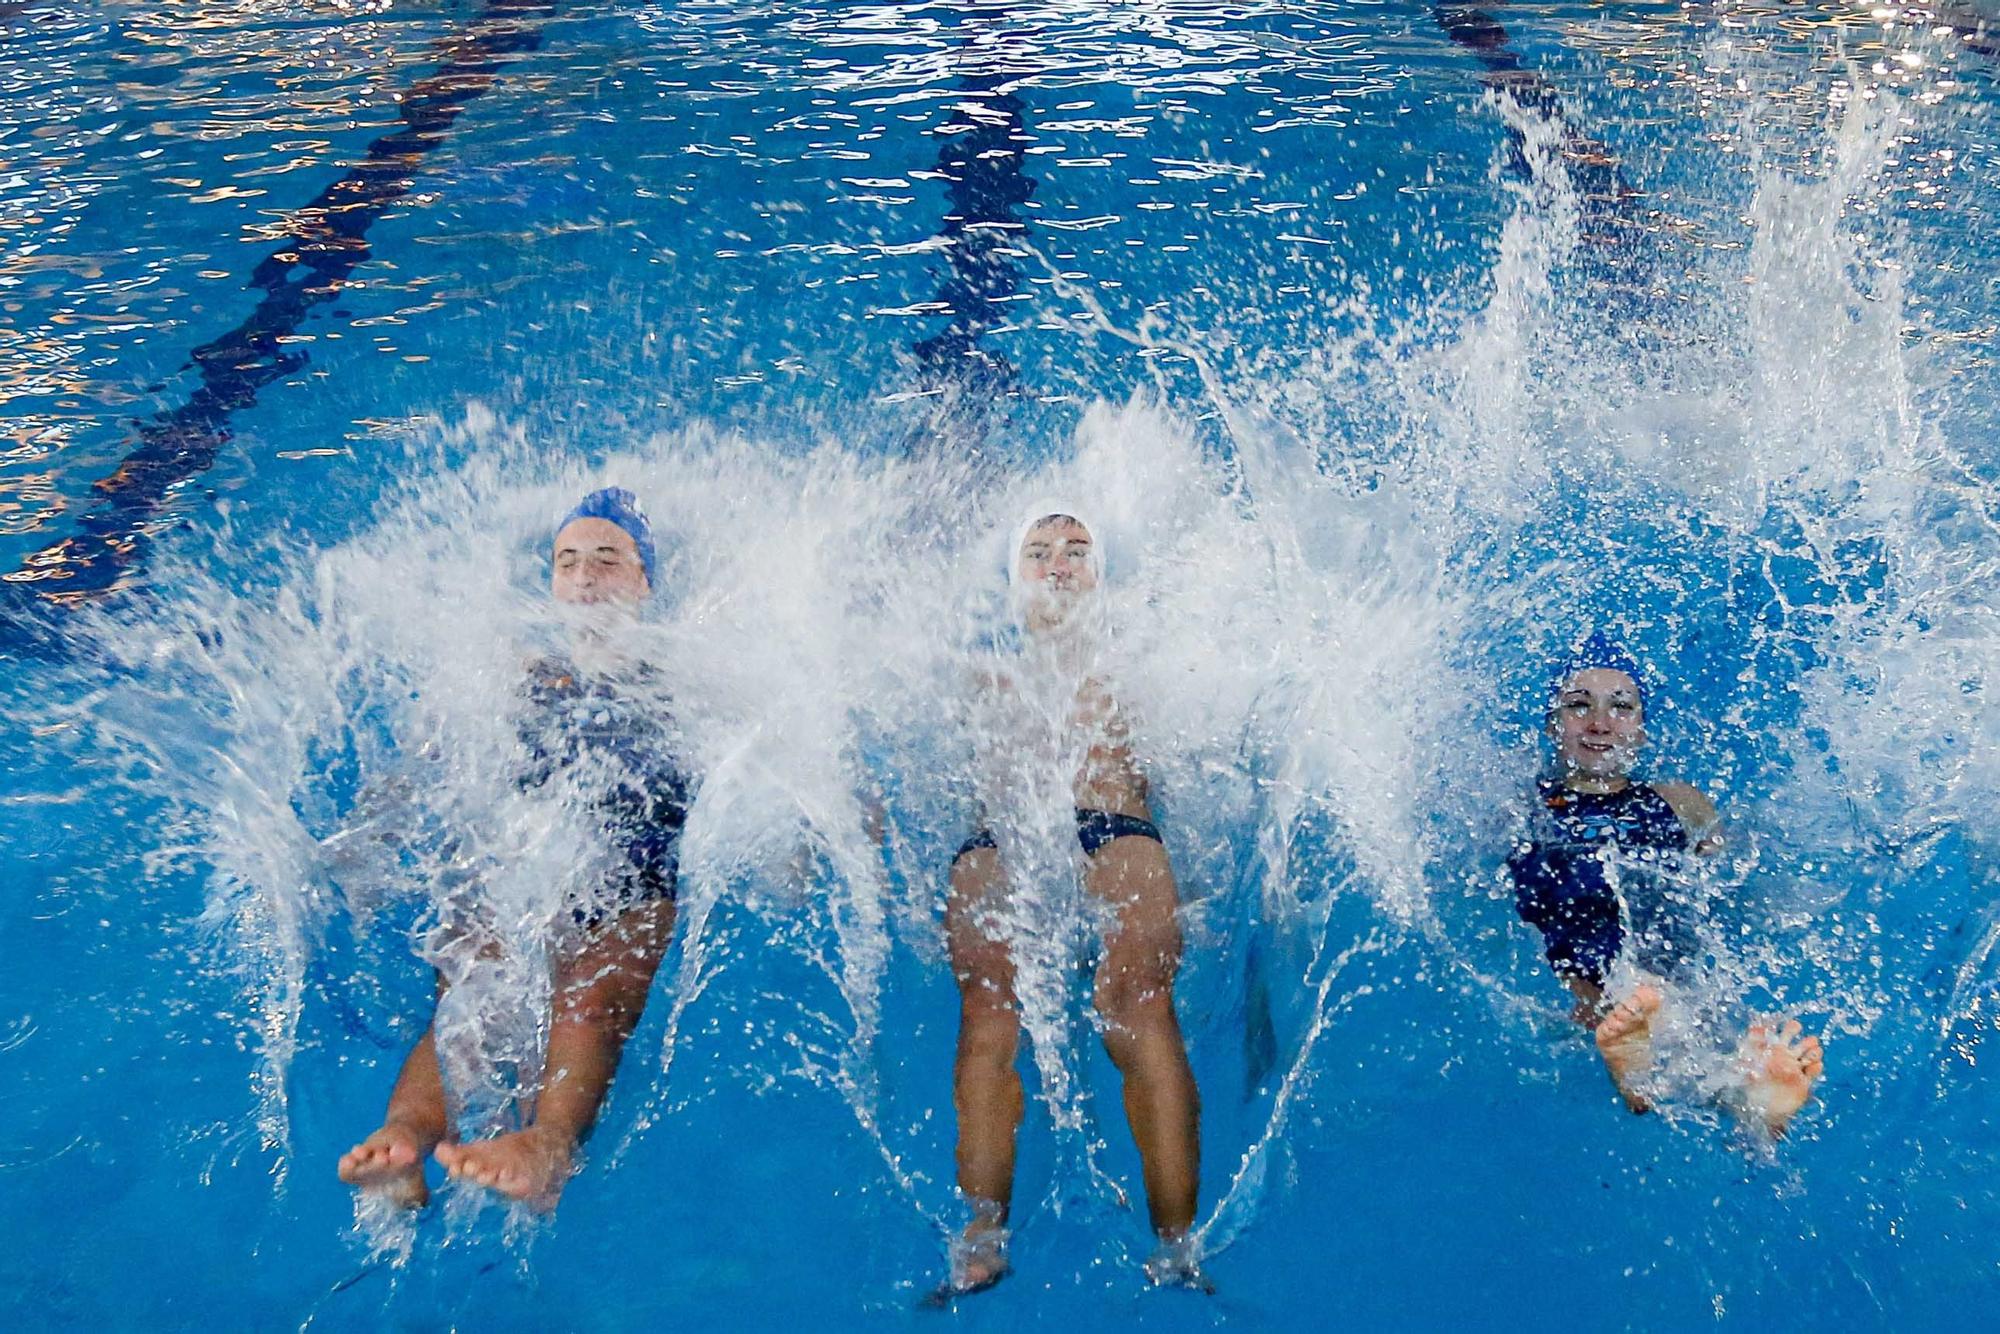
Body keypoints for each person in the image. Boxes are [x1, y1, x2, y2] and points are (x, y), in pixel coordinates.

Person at [336, 487, 688, 1210]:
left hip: (642, 878)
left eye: (607, 559)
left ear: (645, 578)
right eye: (568, 562)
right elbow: (426, 764)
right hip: (531, 865)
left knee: (589, 994)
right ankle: (404, 1139)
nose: (585, 577)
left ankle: (546, 1145)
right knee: (470, 987)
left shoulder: (688, 680)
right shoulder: (516, 673)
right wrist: (370, 835)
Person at [936, 508, 1205, 1300]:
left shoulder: (1141, 670)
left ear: (1101, 578)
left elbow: (1189, 785)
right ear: (1013, 581)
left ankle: (1177, 1243)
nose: (1058, 562)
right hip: (1001, 839)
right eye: (1039, 550)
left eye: (1078, 550)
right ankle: (983, 1235)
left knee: (1139, 1001)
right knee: (991, 1008)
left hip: (1114, 824)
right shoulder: (974, 675)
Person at [1508, 633, 1824, 1136]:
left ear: (1642, 732)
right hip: (1584, 975)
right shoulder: (1523, 804)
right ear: (1552, 727)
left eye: (1621, 707)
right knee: (1614, 991)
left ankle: (1758, 1103)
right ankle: (1638, 1063)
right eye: (1578, 706)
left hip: (1668, 965)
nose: (1599, 722)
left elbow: (1725, 887)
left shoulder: (1681, 802)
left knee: (1675, 1001)